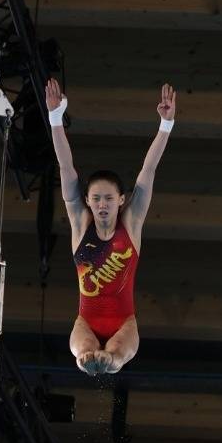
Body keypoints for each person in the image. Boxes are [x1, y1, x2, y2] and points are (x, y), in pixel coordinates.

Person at [45, 77, 177, 374]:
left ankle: (110, 361)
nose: (102, 204)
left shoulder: (132, 222)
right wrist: (55, 118)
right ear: (88, 202)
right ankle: (93, 360)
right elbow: (66, 168)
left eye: (108, 198)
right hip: (86, 321)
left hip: (124, 322)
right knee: (83, 353)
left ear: (121, 200)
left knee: (116, 354)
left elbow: (148, 170)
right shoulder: (81, 224)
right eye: (96, 199)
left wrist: (165, 126)